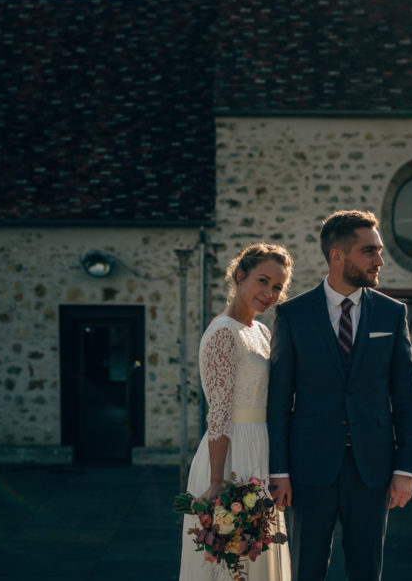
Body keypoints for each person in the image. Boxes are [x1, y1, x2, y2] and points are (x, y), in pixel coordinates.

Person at [266, 210, 412, 581]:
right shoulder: (293, 314)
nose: (379, 260)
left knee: (367, 570)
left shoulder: (391, 314)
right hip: (309, 468)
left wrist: (405, 469)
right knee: (307, 569)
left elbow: (405, 394)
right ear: (338, 256)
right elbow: (278, 398)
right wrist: (279, 470)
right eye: (370, 251)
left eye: (379, 251)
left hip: (373, 468)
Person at [179, 242, 295, 581]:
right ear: (240, 276)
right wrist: (216, 483)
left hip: (260, 449)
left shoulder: (260, 331)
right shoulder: (222, 333)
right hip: (230, 456)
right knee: (230, 563)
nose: (269, 292)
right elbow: (218, 413)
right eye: (262, 281)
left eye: (277, 287)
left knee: (257, 557)